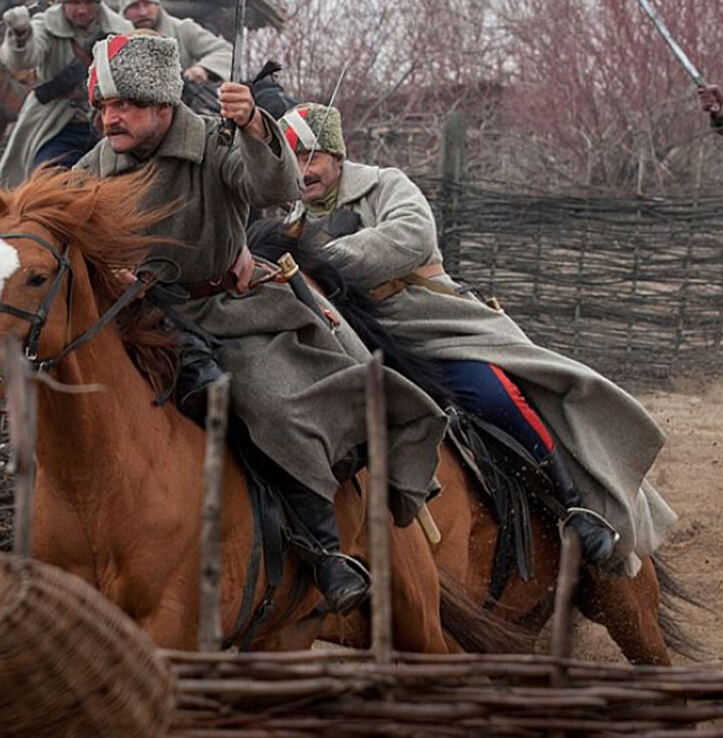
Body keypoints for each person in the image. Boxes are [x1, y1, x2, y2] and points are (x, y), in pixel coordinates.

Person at [70, 35, 449, 612]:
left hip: (226, 314)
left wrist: (252, 127)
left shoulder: (214, 142)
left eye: (122, 104)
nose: (109, 118)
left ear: (160, 103)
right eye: (103, 107)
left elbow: (275, 189)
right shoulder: (93, 167)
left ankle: (324, 552)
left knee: (272, 404)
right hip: (138, 322)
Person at [278, 102, 676, 573]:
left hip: (430, 327)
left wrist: (322, 260)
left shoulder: (386, 185)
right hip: (354, 343)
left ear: (336, 155)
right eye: (293, 161)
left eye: (312, 158)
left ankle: (575, 504)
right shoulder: (293, 227)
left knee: (493, 395)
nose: (304, 172)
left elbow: (411, 237)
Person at [0, 0, 133, 189]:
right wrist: (21, 34)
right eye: (75, 2)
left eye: (88, 3)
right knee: (43, 185)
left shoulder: (121, 30)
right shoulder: (44, 26)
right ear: (62, 1)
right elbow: (23, 59)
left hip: (109, 125)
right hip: (56, 126)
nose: (81, 9)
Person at [114, 0, 231, 85]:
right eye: (134, 6)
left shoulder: (183, 29)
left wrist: (203, 69)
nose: (143, 12)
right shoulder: (112, 38)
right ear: (124, 11)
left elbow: (225, 52)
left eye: (147, 4)